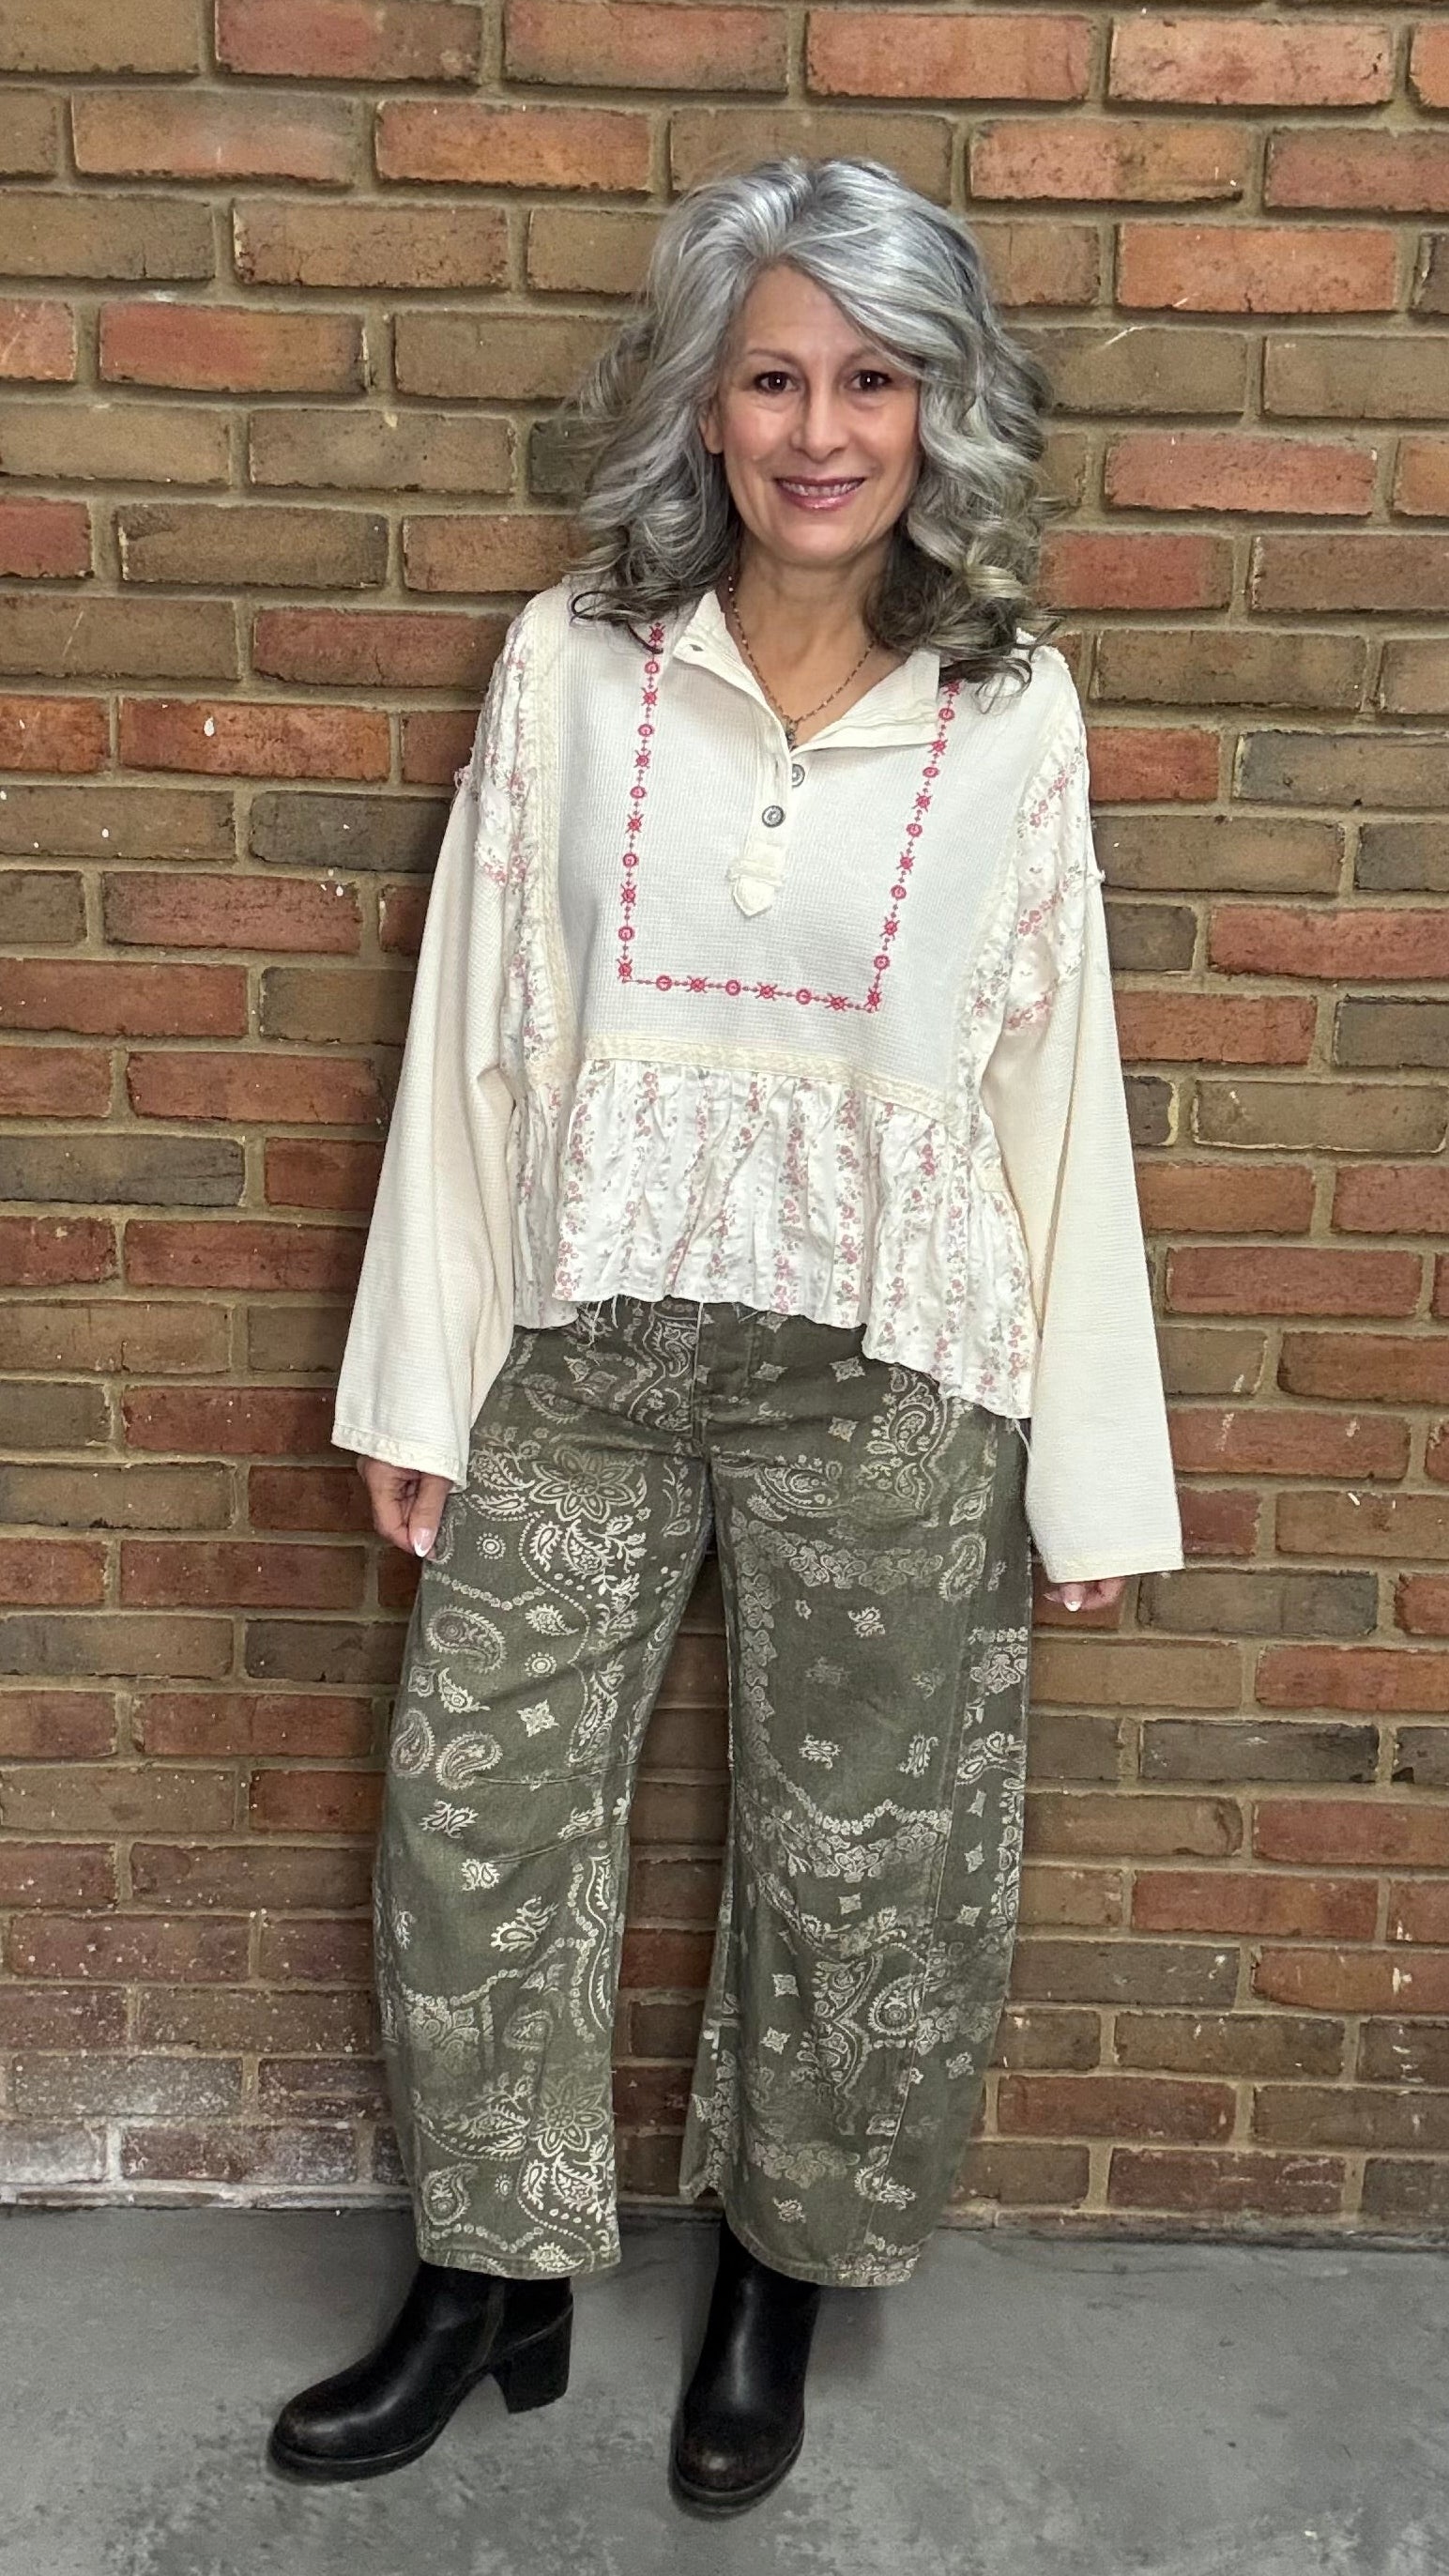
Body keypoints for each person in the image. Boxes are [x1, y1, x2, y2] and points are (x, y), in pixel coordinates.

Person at [267, 152, 1183, 2514]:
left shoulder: (1014, 707)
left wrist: (1083, 1471)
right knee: (480, 1819)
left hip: (886, 1370)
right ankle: (493, 2277)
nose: (817, 428)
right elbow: (478, 1030)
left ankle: (780, 2274)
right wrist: (417, 1374)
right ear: (699, 401)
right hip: (583, 1349)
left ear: (938, 409)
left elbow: (1046, 1082)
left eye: (871, 378)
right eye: (771, 373)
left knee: (867, 1854)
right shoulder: (579, 664)